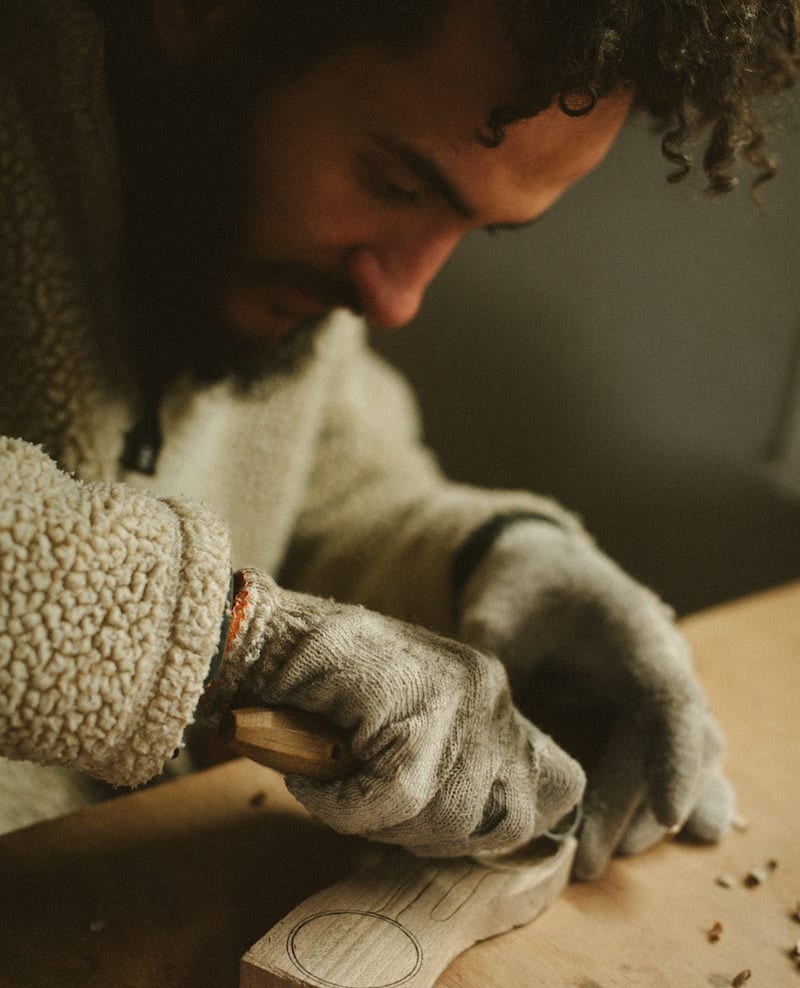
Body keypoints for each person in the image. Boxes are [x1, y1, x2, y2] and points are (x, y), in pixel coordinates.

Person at [1, 1, 796, 874]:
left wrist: (498, 565)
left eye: (475, 228)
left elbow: (324, 487)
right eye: (399, 185)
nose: (399, 301)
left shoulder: (254, 239)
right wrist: (237, 642)